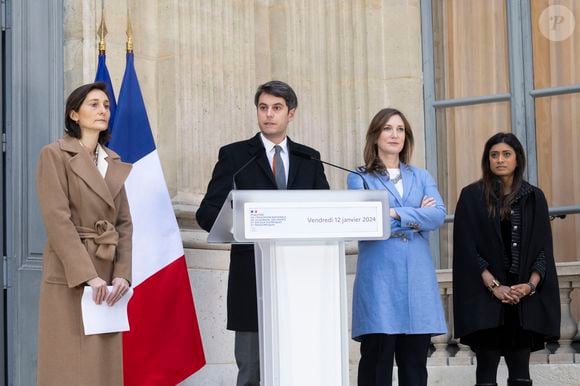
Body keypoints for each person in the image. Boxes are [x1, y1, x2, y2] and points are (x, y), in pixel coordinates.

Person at [196, 80, 329, 386]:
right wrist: (243, 221)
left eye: (277, 108)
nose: (269, 115)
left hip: (299, 279)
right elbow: (207, 213)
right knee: (252, 371)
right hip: (250, 278)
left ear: (291, 114)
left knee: (298, 367)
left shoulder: (308, 158)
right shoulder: (236, 155)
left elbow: (323, 213)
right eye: (263, 107)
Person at [36, 82, 133, 386]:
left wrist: (122, 275)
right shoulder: (54, 154)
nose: (103, 110)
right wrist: (88, 276)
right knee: (67, 365)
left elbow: (124, 225)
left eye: (106, 105)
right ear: (74, 114)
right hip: (72, 274)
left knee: (102, 367)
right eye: (93, 104)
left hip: (108, 275)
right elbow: (57, 219)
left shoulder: (113, 162)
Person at [347, 107, 447, 386]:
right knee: (377, 363)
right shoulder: (360, 177)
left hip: (416, 278)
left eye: (400, 129)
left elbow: (438, 215)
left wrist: (394, 213)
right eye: (388, 128)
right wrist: (416, 215)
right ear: (375, 135)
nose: (395, 134)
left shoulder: (422, 176)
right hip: (379, 279)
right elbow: (367, 223)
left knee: (415, 365)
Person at [452, 132, 560, 386]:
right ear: (487, 160)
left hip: (521, 300)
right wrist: (494, 286)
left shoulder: (534, 197)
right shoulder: (471, 196)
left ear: (517, 159)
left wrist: (530, 286)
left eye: (506, 154)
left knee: (521, 373)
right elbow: (466, 249)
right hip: (484, 298)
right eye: (494, 155)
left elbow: (544, 249)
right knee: (486, 372)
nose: (500, 160)